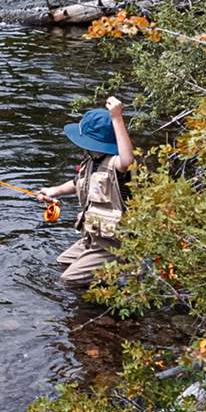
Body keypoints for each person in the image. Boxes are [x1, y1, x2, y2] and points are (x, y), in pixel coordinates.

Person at [37, 96, 134, 284]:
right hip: (94, 239)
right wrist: (53, 191)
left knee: (67, 280)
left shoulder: (118, 166)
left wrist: (117, 119)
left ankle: (94, 310)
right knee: (62, 262)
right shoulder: (91, 161)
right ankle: (104, 281)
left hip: (114, 244)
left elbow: (128, 161)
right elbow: (78, 182)